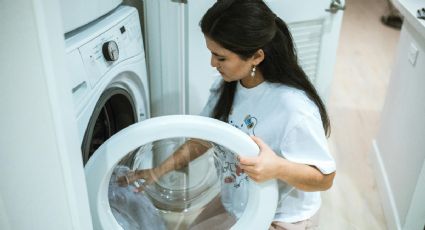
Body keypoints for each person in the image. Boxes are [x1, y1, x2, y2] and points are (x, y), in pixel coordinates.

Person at [118, 0, 336, 229]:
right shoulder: (229, 86)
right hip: (238, 202)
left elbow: (325, 178)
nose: (213, 63)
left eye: (221, 57)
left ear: (257, 57)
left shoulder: (294, 108)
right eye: (212, 54)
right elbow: (204, 139)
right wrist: (158, 171)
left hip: (281, 216)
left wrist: (277, 167)